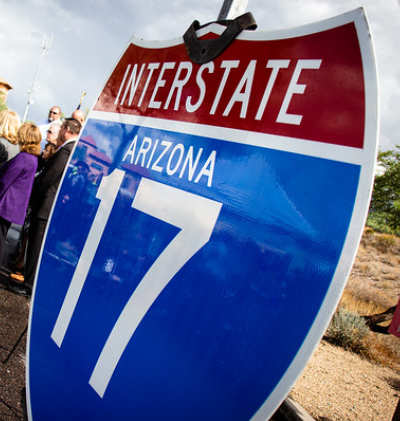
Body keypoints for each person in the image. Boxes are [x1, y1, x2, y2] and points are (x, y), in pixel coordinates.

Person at [14, 117, 82, 295]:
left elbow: (48, 178)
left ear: (66, 129)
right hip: (50, 207)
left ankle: (28, 286)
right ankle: (29, 284)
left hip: (45, 207)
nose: (58, 132)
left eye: (60, 129)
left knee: (36, 247)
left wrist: (33, 195)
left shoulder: (67, 150)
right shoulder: (73, 149)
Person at [0, 124, 41, 270]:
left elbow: (5, 180)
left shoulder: (23, 158)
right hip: (12, 205)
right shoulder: (32, 158)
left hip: (5, 203)